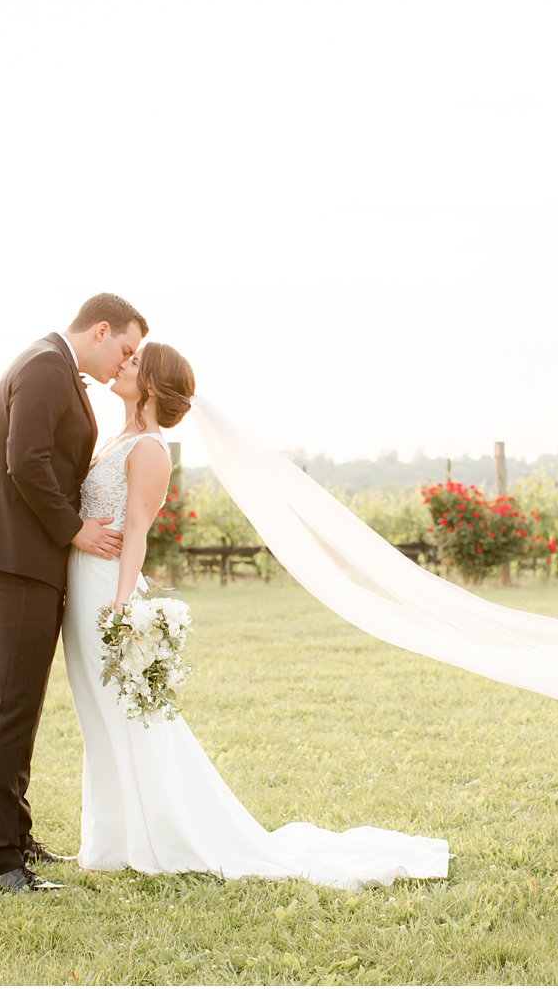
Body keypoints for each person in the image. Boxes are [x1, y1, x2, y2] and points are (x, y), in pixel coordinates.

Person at [60, 343, 451, 889]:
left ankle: (158, 833)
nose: (121, 365)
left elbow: (138, 533)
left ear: (149, 385)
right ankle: (113, 836)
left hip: (105, 590)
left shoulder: (149, 449)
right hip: (81, 584)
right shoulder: (117, 438)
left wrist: (122, 609)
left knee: (127, 712)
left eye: (133, 363)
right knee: (99, 714)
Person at [0, 293, 147, 893]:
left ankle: (14, 837)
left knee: (21, 706)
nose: (126, 361)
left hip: (29, 562)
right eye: (125, 347)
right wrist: (75, 529)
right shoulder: (44, 367)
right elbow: (26, 461)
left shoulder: (54, 368)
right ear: (99, 330)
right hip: (14, 561)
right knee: (9, 709)